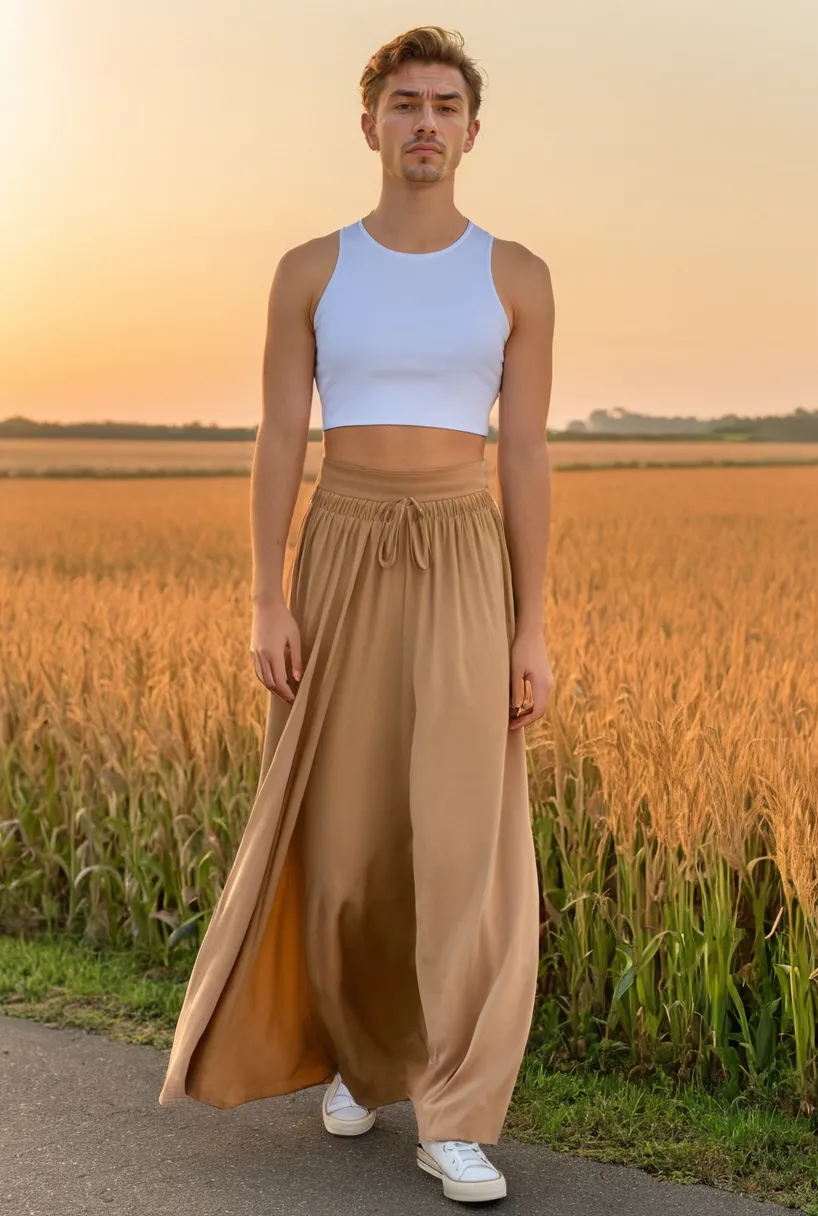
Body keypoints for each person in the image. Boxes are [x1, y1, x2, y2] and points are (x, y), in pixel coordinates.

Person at [158, 25, 554, 1205]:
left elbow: (525, 453)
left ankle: (455, 1107)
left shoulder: (516, 274)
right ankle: (359, 1056)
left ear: (471, 130)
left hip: (462, 553)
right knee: (342, 831)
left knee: (462, 835)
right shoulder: (311, 268)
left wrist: (534, 625)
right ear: (369, 122)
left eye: (445, 105)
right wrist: (266, 597)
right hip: (338, 547)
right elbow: (282, 438)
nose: (424, 121)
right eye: (403, 103)